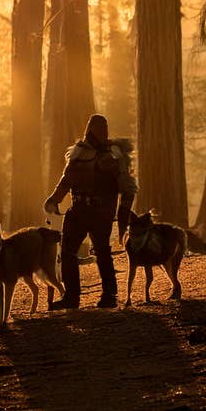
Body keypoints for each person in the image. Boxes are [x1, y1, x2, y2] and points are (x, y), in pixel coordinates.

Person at [43, 114, 137, 309]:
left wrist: (123, 216)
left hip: (101, 211)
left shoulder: (113, 155)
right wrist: (54, 200)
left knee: (102, 252)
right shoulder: (78, 153)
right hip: (78, 210)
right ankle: (71, 297)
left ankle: (109, 296)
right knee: (68, 252)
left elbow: (127, 188)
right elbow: (66, 181)